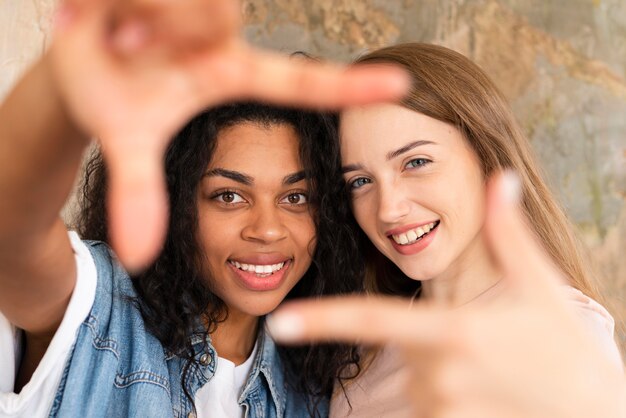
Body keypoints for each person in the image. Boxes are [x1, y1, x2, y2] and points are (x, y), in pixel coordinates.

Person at [0, 1, 408, 417]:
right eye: (229, 195)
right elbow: (11, 229)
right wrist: (68, 82)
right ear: (174, 202)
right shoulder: (97, 304)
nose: (268, 230)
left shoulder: (314, 393)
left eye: (295, 198)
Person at [267, 43, 626, 418]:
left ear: (487, 157)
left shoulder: (556, 335)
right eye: (360, 181)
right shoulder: (364, 351)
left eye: (416, 162)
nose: (389, 209)